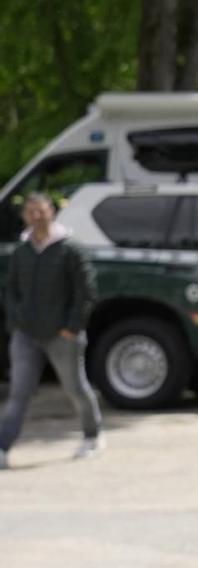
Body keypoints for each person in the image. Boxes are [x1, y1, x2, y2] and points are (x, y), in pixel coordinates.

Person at [1, 192, 104, 469]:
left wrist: (72, 327)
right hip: (26, 334)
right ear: (24, 216)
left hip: (62, 335)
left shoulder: (70, 249)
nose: (36, 216)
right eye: (31, 212)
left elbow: (86, 292)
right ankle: (3, 447)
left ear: (51, 212)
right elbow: (10, 290)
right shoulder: (21, 252)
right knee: (19, 393)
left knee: (75, 388)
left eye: (41, 210)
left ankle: (91, 435)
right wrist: (16, 320)